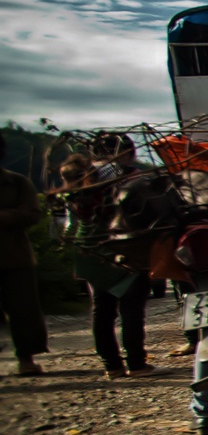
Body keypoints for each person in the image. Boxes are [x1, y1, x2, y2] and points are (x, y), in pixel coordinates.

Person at [74, 136, 157, 379]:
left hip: (89, 247)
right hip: (125, 244)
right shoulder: (132, 176)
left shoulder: (81, 176)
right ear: (127, 152)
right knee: (131, 307)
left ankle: (112, 365)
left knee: (102, 308)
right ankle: (137, 364)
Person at [0, 135, 48, 376]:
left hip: (14, 256)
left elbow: (32, 213)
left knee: (23, 310)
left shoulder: (17, 183)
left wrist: (6, 217)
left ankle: (26, 358)